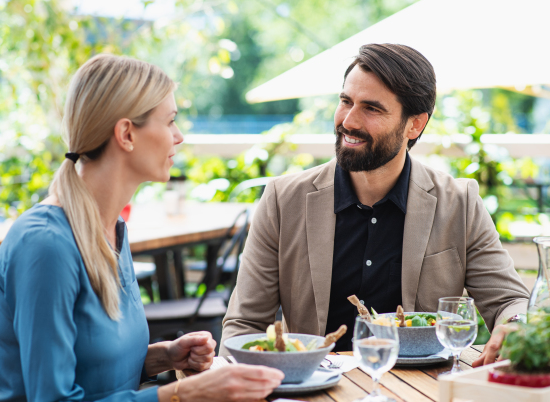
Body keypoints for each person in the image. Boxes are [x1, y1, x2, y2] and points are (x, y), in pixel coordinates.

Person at [0, 54, 283, 402]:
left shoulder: (112, 229)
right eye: (170, 121)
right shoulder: (46, 245)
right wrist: (185, 394)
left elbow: (92, 368)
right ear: (126, 133)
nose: (179, 136)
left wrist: (162, 357)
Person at [220, 43, 530, 366]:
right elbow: (243, 326)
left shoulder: (459, 203)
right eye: (345, 101)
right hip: (315, 390)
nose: (349, 121)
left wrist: (517, 326)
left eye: (371, 108)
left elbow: (510, 301)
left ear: (415, 124)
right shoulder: (283, 201)